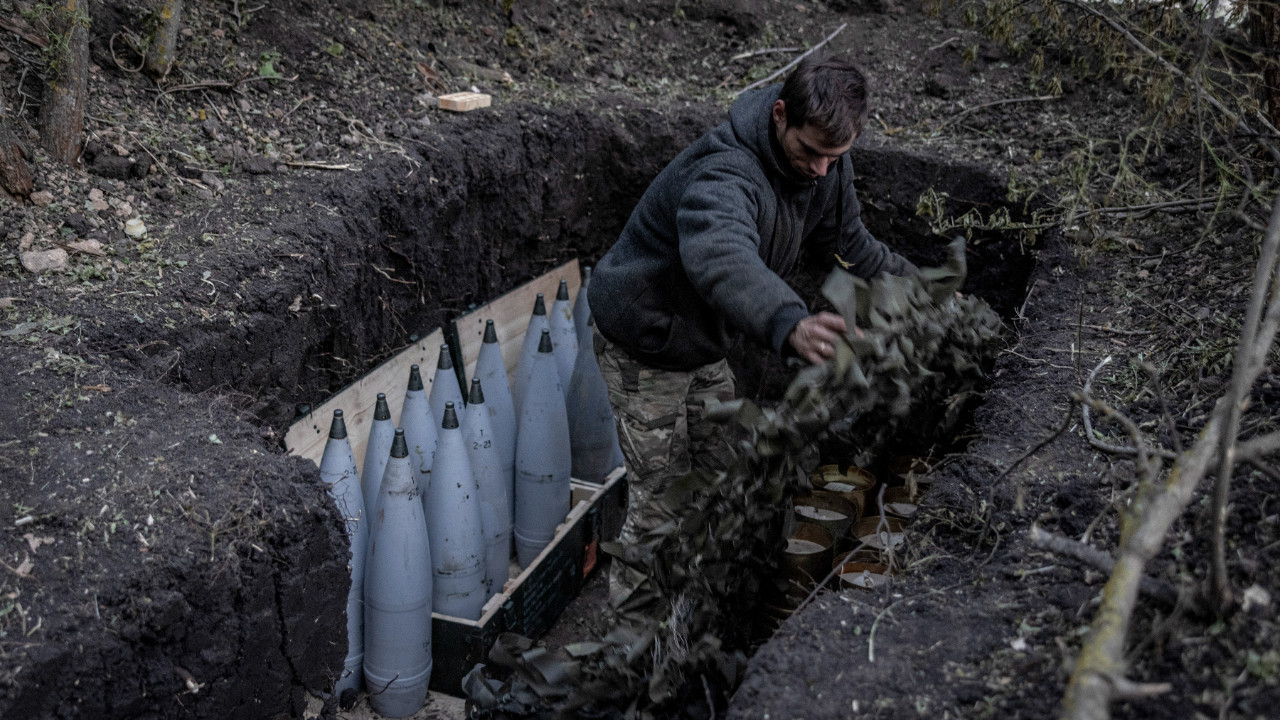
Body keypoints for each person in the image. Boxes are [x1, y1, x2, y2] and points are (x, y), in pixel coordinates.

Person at [587, 55, 916, 615]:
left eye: (834, 158)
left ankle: (704, 610)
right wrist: (789, 322)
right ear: (780, 115)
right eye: (810, 152)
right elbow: (722, 255)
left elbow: (854, 246)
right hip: (645, 344)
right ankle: (631, 648)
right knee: (662, 503)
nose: (820, 171)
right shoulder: (724, 172)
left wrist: (924, 290)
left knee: (725, 478)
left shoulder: (828, 169)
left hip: (703, 342)